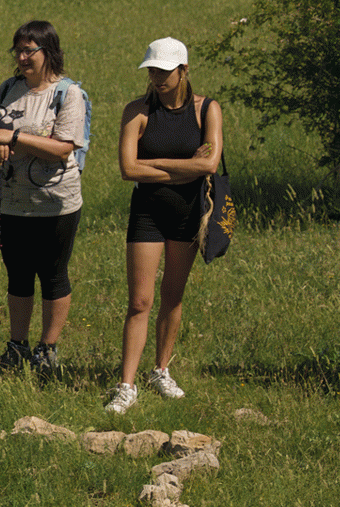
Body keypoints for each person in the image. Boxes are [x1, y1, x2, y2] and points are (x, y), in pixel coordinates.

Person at [105, 37, 222, 414]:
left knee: (173, 295)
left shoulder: (207, 110)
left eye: (164, 71)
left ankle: (161, 370)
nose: (156, 77)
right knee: (140, 300)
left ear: (184, 70)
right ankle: (127, 384)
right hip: (147, 212)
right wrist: (181, 165)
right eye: (152, 70)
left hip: (189, 212)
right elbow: (128, 169)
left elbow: (208, 165)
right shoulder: (136, 111)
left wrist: (154, 167)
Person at [0, 21, 87, 373]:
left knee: (53, 274)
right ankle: (17, 345)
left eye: (29, 51)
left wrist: (15, 137)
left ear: (48, 52)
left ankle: (47, 348)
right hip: (11, 201)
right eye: (18, 51)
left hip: (56, 204)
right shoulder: (9, 88)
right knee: (18, 275)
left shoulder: (68, 94)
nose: (22, 58)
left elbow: (63, 148)